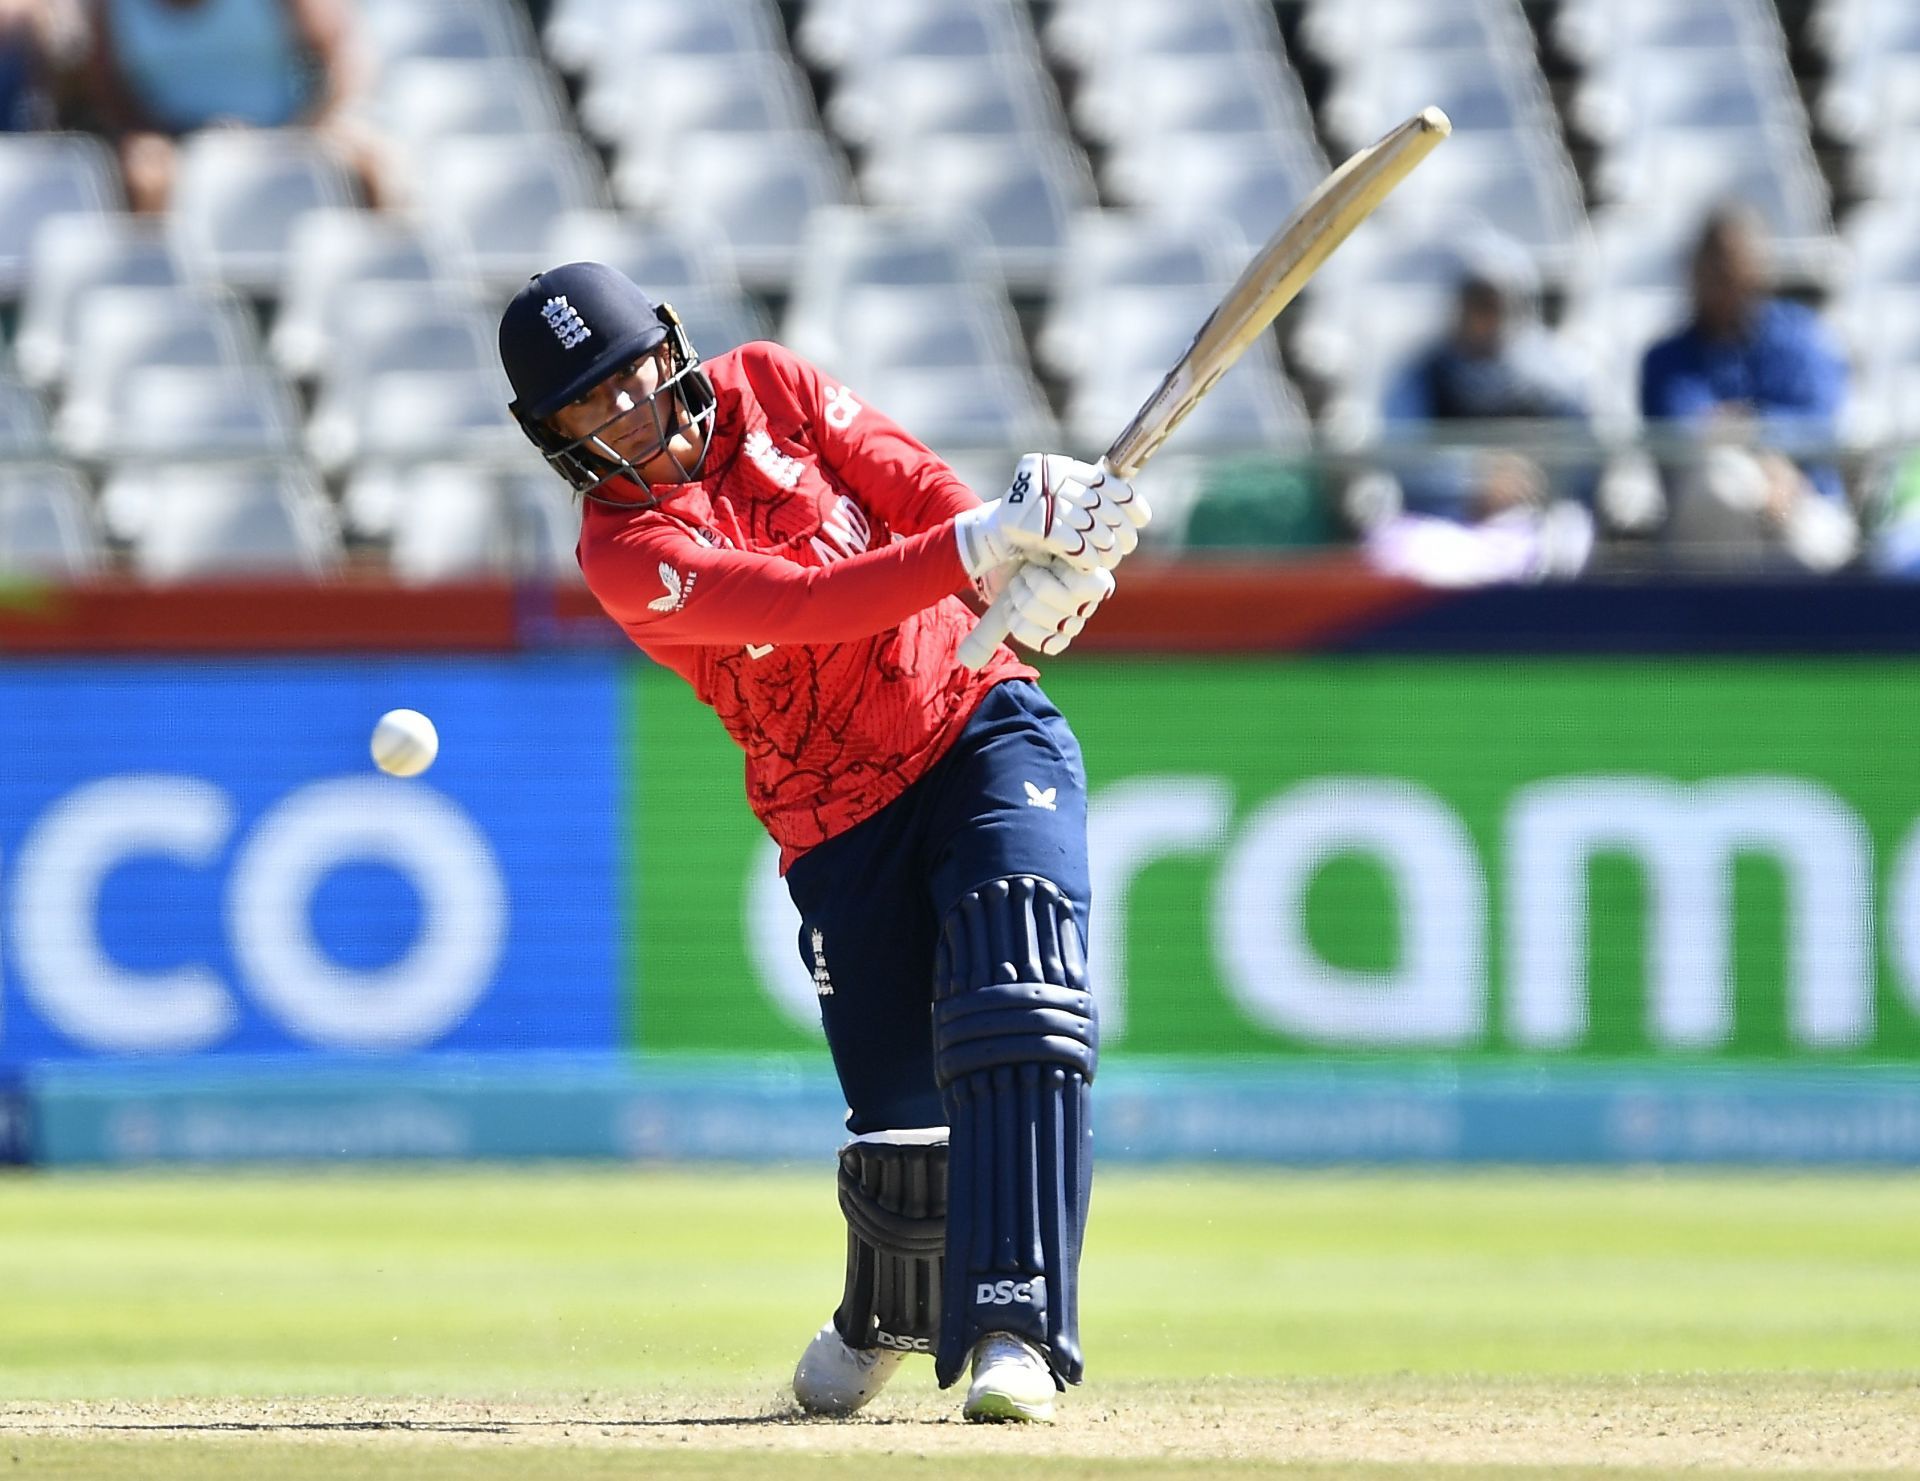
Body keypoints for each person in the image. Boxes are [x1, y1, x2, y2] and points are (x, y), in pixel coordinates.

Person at [497, 262, 1150, 1423]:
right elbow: (800, 601)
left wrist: (1032, 557)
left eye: (628, 376)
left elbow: (915, 488)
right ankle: (885, 1316)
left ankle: (1019, 1329)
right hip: (836, 820)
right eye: (585, 407)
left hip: (975, 720)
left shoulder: (773, 387)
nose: (623, 412)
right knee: (904, 1123)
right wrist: (987, 542)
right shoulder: (623, 552)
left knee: (1021, 994)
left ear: (669, 347)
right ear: (555, 435)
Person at [1640, 204, 1856, 571]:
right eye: (1712, 262)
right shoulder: (1666, 358)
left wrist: (1769, 454)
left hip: (1802, 497)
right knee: (1722, 485)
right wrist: (1761, 467)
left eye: (1732, 261)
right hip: (1712, 519)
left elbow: (1820, 426)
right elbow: (1685, 432)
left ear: (1759, 266)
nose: (1722, 274)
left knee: (1813, 548)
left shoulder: (1802, 337)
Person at [79, 0, 389, 212]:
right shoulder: (109, 7)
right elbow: (112, 97)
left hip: (291, 134)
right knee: (147, 173)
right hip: (175, 144)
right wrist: (174, 142)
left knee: (367, 164)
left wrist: (304, 130)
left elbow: (343, 54)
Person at [1381, 233, 1591, 523]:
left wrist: (1527, 480)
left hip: (1535, 520)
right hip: (1444, 524)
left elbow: (1581, 464)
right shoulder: (1424, 373)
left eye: (1494, 304)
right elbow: (1401, 456)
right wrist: (1474, 477)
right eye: (1475, 303)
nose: (1483, 318)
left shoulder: (1557, 380)